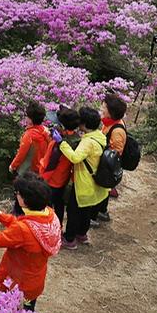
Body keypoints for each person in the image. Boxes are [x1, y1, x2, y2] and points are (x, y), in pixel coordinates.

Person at [0, 172, 62, 311]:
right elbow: (25, 225)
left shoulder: (23, 229)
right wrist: (0, 215)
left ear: (24, 200)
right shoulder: (50, 215)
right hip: (34, 283)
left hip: (13, 284)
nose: (16, 195)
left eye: (17, 193)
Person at [55, 106, 108, 249]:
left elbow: (75, 157)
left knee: (73, 211)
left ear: (84, 124)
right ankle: (82, 234)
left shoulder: (87, 142)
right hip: (95, 183)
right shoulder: (99, 136)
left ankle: (69, 239)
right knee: (86, 211)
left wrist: (62, 143)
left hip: (83, 183)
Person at [39, 107, 81, 224]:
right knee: (59, 204)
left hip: (51, 181)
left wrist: (41, 180)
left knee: (48, 206)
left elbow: (50, 165)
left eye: (57, 124)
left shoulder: (59, 145)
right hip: (63, 179)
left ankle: (49, 227)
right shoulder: (75, 139)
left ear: (62, 128)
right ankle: (58, 225)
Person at [95, 93, 129, 223]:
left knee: (104, 187)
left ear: (111, 112)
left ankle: (101, 213)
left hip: (107, 166)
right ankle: (101, 211)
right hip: (104, 162)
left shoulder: (117, 130)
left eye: (104, 107)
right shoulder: (109, 122)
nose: (101, 109)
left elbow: (116, 153)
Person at [10, 100, 52, 177]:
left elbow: (21, 154)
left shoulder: (29, 135)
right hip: (41, 170)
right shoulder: (46, 131)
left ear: (30, 119)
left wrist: (13, 166)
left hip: (27, 171)